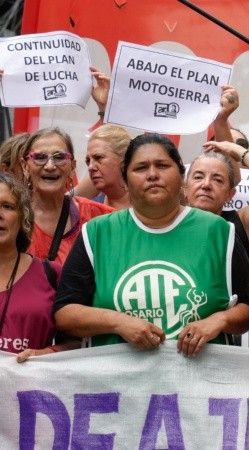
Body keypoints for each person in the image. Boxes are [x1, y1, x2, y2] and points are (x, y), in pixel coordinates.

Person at [53, 134, 249, 356]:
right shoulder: (96, 233)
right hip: (118, 386)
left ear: (181, 177)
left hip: (202, 386)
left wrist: (219, 320)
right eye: (141, 168)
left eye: (162, 165)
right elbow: (65, 313)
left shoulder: (220, 231)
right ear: (125, 180)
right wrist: (118, 323)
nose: (152, 175)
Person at [0, 174, 79, 362]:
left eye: (7, 206)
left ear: (23, 217)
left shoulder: (51, 274)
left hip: (30, 388)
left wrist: (45, 354)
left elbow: (79, 344)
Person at [22, 127, 115, 264]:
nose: (50, 166)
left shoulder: (100, 217)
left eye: (59, 157)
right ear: (25, 167)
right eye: (40, 157)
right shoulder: (12, 220)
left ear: (72, 167)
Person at [184, 151, 249, 260]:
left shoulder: (239, 225)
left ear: (230, 194)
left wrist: (241, 152)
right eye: (198, 177)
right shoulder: (164, 223)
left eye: (217, 180)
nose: (206, 185)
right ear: (185, 188)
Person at [84, 125, 131, 209]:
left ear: (124, 159)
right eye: (88, 161)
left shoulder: (155, 208)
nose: (90, 167)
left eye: (98, 157)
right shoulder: (88, 211)